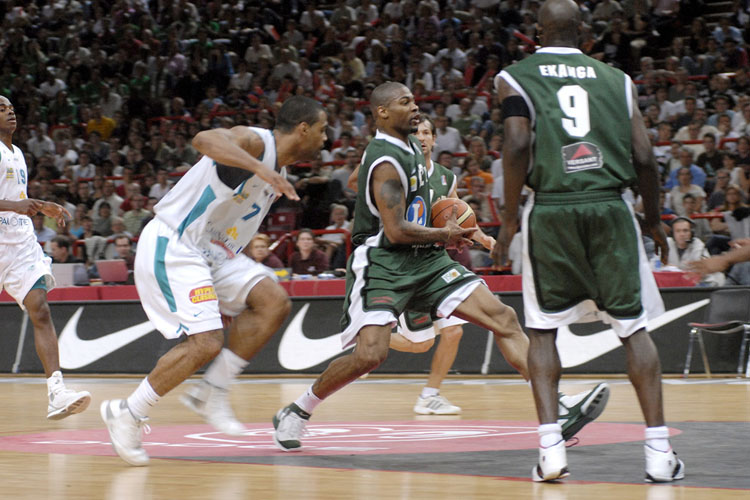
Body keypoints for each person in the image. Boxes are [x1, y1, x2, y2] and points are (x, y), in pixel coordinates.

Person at [273, 82, 608, 454]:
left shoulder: (416, 150)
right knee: (370, 355)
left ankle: (556, 407)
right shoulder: (384, 159)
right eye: (405, 102)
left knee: (504, 318)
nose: (415, 107)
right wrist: (445, 232)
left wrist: (459, 234)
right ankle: (298, 410)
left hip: (429, 259)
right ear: (382, 112)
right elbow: (397, 230)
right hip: (385, 261)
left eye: (416, 101)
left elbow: (431, 211)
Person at [493, 0, 684, 483]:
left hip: (552, 209)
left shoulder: (514, 77)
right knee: (633, 329)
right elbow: (643, 154)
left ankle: (551, 451)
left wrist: (510, 222)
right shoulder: (616, 79)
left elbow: (516, 144)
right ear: (584, 32)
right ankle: (659, 455)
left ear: (537, 32)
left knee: (541, 330)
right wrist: (655, 220)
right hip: (611, 206)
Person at [100, 96, 327, 466]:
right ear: (303, 129)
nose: (326, 138)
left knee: (273, 301)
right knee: (205, 342)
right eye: (322, 129)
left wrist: (268, 174)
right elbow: (204, 139)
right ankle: (128, 413)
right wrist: (260, 168)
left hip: (214, 251)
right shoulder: (256, 142)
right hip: (176, 241)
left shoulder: (279, 173)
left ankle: (213, 390)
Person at [0, 95, 91, 420]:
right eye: (1, 109)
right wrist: (16, 206)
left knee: (40, 309)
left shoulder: (18, 152)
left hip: (19, 242)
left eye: (11, 107)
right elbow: (11, 203)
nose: (9, 112)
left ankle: (56, 392)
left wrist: (39, 204)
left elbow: (15, 198)